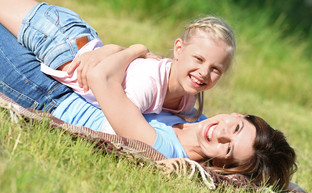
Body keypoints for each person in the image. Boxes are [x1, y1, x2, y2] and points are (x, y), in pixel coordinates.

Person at [0, 22, 297, 190]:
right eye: (234, 127)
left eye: (228, 148)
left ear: (223, 166)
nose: (219, 134)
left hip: (43, 92)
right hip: (67, 67)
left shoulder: (165, 149)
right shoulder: (193, 116)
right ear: (236, 115)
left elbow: (102, 80)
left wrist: (137, 48)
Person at [0, 0, 236, 126]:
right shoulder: (150, 84)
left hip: (76, 43)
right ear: (178, 49)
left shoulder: (188, 99)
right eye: (199, 59)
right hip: (60, 41)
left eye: (216, 69)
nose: (204, 73)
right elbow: (122, 126)